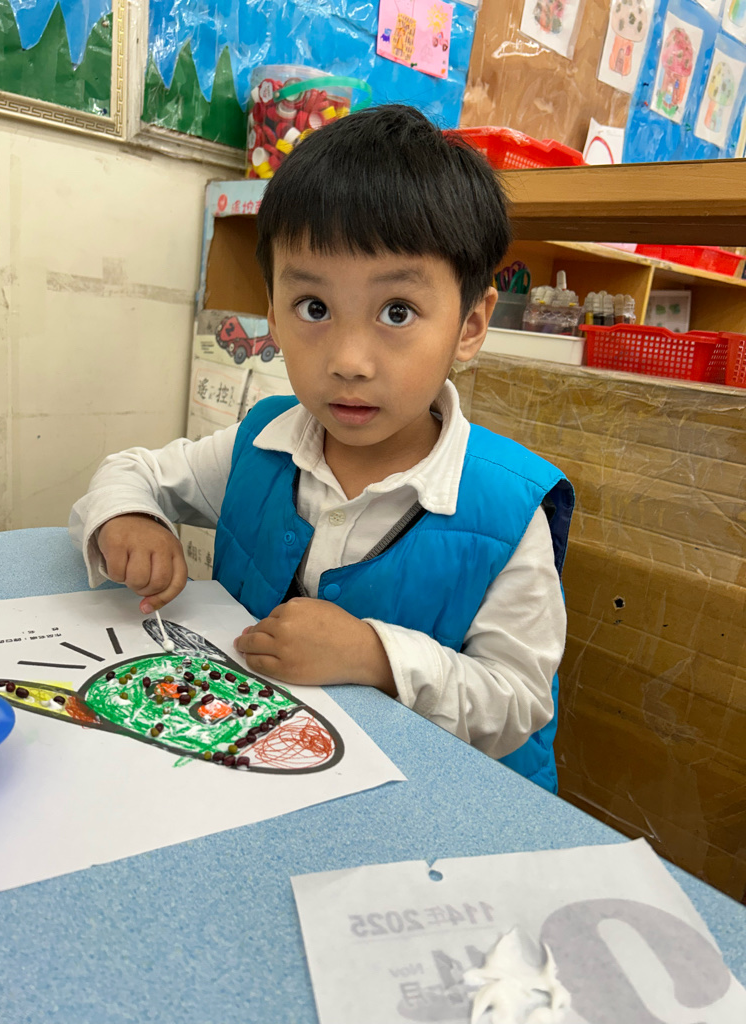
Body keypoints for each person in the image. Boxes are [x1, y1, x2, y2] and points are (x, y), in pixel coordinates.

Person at [69, 104, 574, 793]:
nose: (348, 361)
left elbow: (517, 703)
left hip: (436, 808)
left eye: (397, 312)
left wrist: (376, 656)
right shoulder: (261, 446)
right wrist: (128, 517)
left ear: (470, 325)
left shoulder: (508, 513)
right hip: (261, 773)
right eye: (314, 308)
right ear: (273, 315)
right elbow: (132, 472)